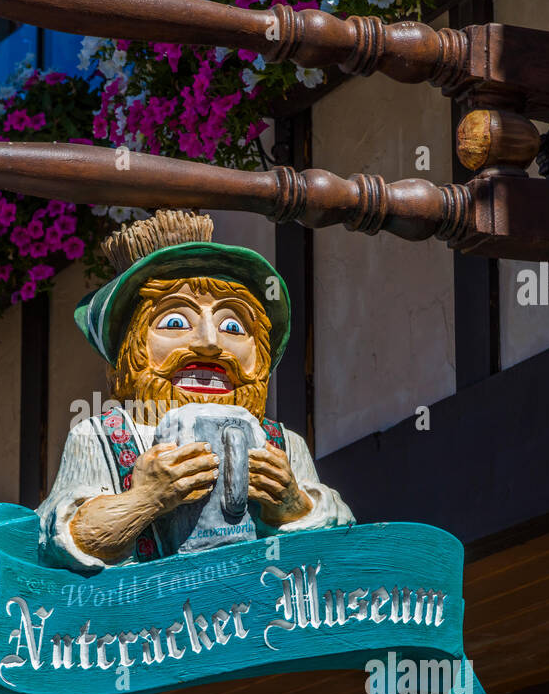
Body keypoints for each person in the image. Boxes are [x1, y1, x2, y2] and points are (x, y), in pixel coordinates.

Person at [37, 209, 354, 571]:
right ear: (131, 348)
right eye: (175, 322)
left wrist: (293, 504)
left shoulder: (282, 443)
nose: (209, 343)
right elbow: (60, 542)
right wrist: (145, 499)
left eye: (233, 326)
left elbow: (335, 543)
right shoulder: (100, 436)